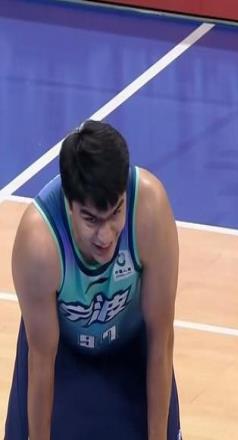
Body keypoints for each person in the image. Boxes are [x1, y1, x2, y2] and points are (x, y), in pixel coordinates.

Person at [5, 120, 182, 440]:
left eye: (115, 213)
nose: (106, 235)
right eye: (91, 220)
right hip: (61, 352)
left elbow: (160, 339)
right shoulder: (39, 244)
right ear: (69, 205)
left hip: (133, 346)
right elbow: (42, 362)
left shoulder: (150, 210)